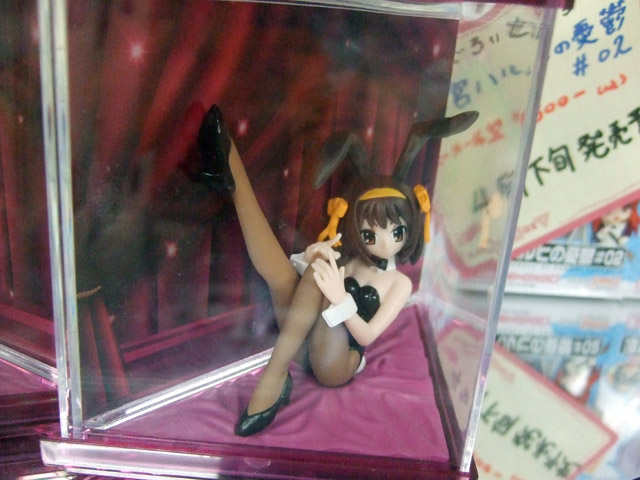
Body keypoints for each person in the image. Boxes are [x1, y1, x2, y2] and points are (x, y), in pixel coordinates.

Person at [197, 105, 477, 436]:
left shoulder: (399, 282)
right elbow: (309, 288)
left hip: (337, 364)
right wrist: (313, 255)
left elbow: (366, 336)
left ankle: (273, 377)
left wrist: (340, 298)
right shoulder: (353, 258)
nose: (384, 243)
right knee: (286, 271)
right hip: (302, 344)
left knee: (321, 275)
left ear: (411, 228)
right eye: (371, 234)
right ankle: (231, 168)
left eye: (396, 232)